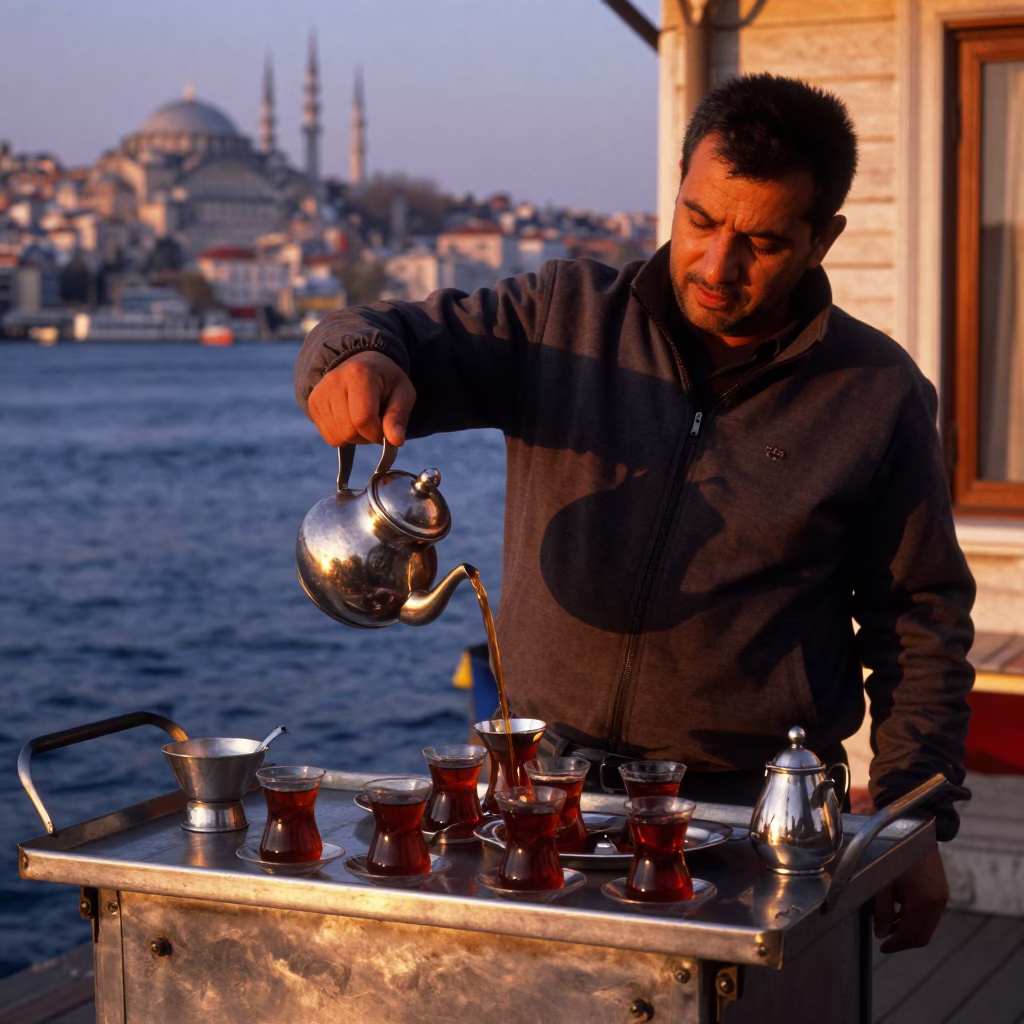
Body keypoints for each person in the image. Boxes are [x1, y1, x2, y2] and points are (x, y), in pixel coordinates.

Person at [295, 74, 974, 953]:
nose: (717, 267)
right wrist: (354, 361)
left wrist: (912, 821)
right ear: (678, 190)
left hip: (752, 820)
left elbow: (920, 621)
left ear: (823, 240)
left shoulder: (877, 394)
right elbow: (377, 331)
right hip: (539, 798)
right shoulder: (561, 317)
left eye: (762, 242)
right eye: (700, 220)